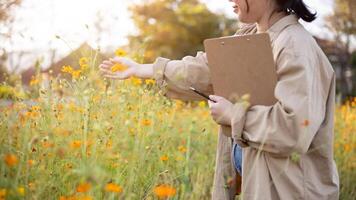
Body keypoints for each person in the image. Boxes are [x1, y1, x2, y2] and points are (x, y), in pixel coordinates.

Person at [99, 0, 340, 199]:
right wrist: (143, 69)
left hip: (290, 191)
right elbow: (204, 70)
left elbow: (294, 128)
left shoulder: (295, 46)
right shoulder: (252, 37)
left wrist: (234, 115)